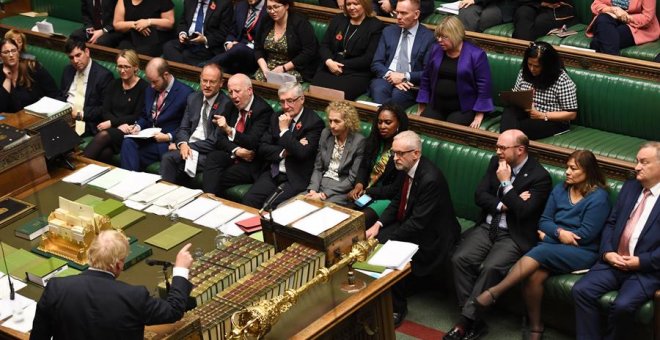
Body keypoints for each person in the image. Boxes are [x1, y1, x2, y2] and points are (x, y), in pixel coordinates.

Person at [471, 150, 611, 340]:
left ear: (589, 171)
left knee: (541, 250)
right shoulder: (561, 189)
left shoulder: (599, 197)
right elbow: (544, 221)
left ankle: (495, 291)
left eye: (573, 169)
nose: (567, 172)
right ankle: (536, 327)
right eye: (567, 167)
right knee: (533, 277)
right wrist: (559, 233)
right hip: (557, 246)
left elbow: (584, 236)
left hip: (583, 253)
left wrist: (547, 237)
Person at [444, 129, 552, 340]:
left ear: (520, 150)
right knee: (460, 259)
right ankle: (475, 320)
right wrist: (505, 204)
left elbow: (523, 211)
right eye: (497, 146)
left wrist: (505, 183)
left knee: (490, 268)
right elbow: (480, 195)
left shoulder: (540, 177)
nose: (498, 151)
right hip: (487, 227)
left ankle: (465, 322)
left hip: (513, 235)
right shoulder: (496, 163)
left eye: (503, 147)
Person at [366, 130, 461, 327]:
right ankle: (379, 291)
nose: (395, 158)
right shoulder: (406, 168)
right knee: (372, 238)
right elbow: (397, 201)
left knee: (388, 249)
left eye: (400, 153)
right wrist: (378, 224)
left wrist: (387, 240)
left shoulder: (430, 179)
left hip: (433, 236)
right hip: (412, 223)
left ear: (416, 153)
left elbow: (418, 223)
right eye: (394, 153)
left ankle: (397, 307)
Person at [30, 230, 194, 340]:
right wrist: (180, 269)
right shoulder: (133, 297)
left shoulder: (56, 288)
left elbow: (38, 337)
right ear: (118, 265)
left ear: (89, 256)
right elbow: (173, 311)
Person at [573, 142, 660, 340]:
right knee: (582, 290)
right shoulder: (630, 187)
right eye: (637, 161)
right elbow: (611, 223)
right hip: (614, 261)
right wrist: (607, 252)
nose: (637, 167)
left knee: (622, 306)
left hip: (646, 270)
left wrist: (641, 261)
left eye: (644, 162)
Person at [242, 81, 324, 209]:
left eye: (290, 101)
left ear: (301, 99)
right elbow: (262, 148)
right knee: (249, 200)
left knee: (269, 207)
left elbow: (302, 153)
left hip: (294, 177)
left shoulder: (314, 123)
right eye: (282, 101)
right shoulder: (276, 117)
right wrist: (285, 151)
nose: (286, 106)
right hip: (273, 172)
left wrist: (284, 130)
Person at [202, 74, 273, 196]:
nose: (233, 96)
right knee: (213, 157)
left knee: (219, 178)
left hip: (251, 162)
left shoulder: (263, 111)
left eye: (237, 91)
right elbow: (219, 138)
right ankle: (208, 198)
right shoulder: (231, 106)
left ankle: (210, 200)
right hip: (234, 154)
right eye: (230, 92)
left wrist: (229, 130)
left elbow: (252, 142)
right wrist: (236, 150)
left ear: (249, 91)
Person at [416, 16, 494, 128]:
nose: (439, 40)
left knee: (452, 129)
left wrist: (479, 115)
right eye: (438, 36)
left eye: (444, 37)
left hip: (463, 108)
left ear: (456, 36)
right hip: (436, 105)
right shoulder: (435, 49)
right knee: (424, 126)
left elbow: (484, 85)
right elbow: (426, 77)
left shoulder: (476, 55)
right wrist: (422, 106)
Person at [160, 63, 229, 185]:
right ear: (200, 79)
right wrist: (182, 144)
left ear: (221, 83)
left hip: (208, 153)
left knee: (173, 161)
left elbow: (215, 141)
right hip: (188, 147)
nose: (207, 85)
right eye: (204, 80)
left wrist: (187, 146)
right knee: (169, 158)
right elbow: (183, 128)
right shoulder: (193, 98)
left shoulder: (226, 105)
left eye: (212, 82)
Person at [120, 58, 193, 171]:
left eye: (155, 81)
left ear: (166, 75)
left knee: (131, 159)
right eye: (150, 81)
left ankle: (128, 180)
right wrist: (137, 126)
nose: (152, 86)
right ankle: (130, 181)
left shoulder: (186, 93)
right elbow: (145, 115)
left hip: (166, 142)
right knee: (128, 142)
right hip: (148, 138)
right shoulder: (150, 89)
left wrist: (169, 136)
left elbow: (187, 126)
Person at [499, 42, 577, 140]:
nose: (532, 69)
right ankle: (506, 142)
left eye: (537, 66)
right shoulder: (524, 72)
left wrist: (541, 115)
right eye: (529, 64)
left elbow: (571, 114)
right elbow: (517, 93)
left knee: (517, 130)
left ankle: (507, 142)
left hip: (550, 119)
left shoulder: (562, 80)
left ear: (547, 66)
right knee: (510, 110)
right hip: (526, 112)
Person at [347, 104, 409, 227]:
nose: (382, 126)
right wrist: (359, 185)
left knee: (356, 223)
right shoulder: (374, 142)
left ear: (399, 124)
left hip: (388, 199)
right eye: (379, 122)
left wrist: (368, 191)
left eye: (387, 122)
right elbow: (364, 167)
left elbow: (395, 188)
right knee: (344, 216)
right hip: (368, 193)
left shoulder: (404, 148)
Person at [82, 49, 148, 164]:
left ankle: (79, 166)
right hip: (115, 128)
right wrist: (118, 124)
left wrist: (112, 123)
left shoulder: (143, 87)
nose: (122, 71)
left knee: (103, 135)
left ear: (135, 67)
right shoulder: (114, 84)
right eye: (119, 67)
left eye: (126, 67)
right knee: (105, 153)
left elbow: (136, 115)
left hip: (129, 130)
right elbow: (105, 111)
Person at [310, 0, 384, 100]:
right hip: (330, 67)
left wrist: (340, 64)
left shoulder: (375, 25)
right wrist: (329, 61)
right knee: (315, 90)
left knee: (339, 95)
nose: (351, 7)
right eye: (348, 4)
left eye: (356, 4)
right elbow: (324, 45)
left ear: (365, 4)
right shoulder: (338, 19)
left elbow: (368, 58)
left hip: (356, 73)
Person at [369, 0, 434, 109]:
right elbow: (376, 63)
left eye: (404, 13)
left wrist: (404, 76)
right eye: (397, 12)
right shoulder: (388, 31)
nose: (398, 17)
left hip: (409, 83)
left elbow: (428, 72)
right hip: (386, 77)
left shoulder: (428, 38)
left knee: (398, 96)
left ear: (416, 14)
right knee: (378, 89)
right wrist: (392, 76)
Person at [305, 101, 365, 205]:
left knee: (320, 212)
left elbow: (352, 178)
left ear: (348, 121)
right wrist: (313, 189)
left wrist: (323, 195)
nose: (332, 125)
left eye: (337, 121)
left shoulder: (359, 141)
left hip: (340, 189)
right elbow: (318, 167)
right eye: (330, 121)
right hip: (321, 182)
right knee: (299, 204)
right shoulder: (326, 133)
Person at [253, 0, 319, 83]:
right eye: (269, 8)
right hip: (268, 68)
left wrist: (283, 68)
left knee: (279, 82)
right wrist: (265, 69)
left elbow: (309, 51)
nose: (272, 11)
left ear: (286, 6)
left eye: (276, 7)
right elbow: (258, 48)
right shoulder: (266, 20)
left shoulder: (300, 23)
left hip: (293, 68)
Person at [59, 38, 114, 136]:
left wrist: (80, 114)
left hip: (86, 122)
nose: (75, 61)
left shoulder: (103, 76)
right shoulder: (68, 70)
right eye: (71, 57)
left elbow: (105, 109)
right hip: (64, 117)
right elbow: (62, 95)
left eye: (78, 55)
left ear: (87, 52)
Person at [162, 0, 234, 66]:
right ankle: (190, 69)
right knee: (168, 46)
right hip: (188, 40)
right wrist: (182, 33)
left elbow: (223, 32)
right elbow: (183, 22)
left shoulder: (224, 4)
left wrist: (205, 39)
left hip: (207, 45)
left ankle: (186, 69)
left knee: (187, 54)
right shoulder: (189, 1)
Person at [0, 38, 59, 113]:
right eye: (6, 52)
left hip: (36, 115)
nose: (11, 55)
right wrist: (8, 79)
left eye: (14, 51)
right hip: (10, 120)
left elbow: (54, 93)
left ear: (18, 52)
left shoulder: (33, 67)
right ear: (0, 56)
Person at [211, 0, 267, 75]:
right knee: (224, 68)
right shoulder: (241, 5)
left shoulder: (270, 8)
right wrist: (229, 43)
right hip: (235, 50)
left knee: (239, 48)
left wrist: (242, 46)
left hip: (256, 53)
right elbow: (232, 31)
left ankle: (206, 66)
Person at [587, 0, 660, 55]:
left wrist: (625, 17)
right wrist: (613, 10)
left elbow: (647, 17)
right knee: (602, 18)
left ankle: (613, 67)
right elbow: (596, 4)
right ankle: (615, 68)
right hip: (611, 17)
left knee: (597, 43)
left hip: (636, 25)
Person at [513, 0, 577, 41]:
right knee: (523, 13)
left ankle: (528, 52)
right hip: (533, 3)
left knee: (540, 22)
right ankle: (520, 50)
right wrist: (543, 3)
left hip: (558, 7)